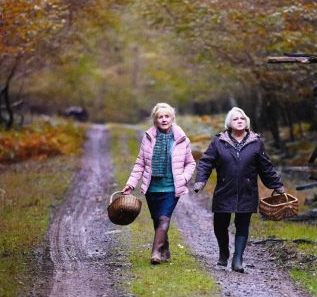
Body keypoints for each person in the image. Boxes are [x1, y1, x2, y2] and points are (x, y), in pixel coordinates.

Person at [194, 107, 284, 273]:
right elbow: (206, 162)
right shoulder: (219, 141)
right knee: (220, 224)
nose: (240, 121)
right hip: (224, 189)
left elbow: (266, 166)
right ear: (229, 123)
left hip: (247, 190)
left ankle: (238, 259)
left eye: (242, 118)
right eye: (236, 119)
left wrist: (277, 185)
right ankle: (224, 253)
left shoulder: (256, 141)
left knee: (243, 224)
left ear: (247, 121)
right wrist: (200, 181)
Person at [122, 103, 196, 264]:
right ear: (155, 120)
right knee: (157, 220)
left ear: (172, 118)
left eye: (167, 116)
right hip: (152, 188)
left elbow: (190, 163)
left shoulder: (181, 139)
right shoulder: (148, 138)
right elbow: (140, 163)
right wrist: (131, 184)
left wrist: (183, 178)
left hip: (171, 187)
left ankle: (155, 252)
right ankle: (165, 249)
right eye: (160, 117)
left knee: (164, 219)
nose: (164, 119)